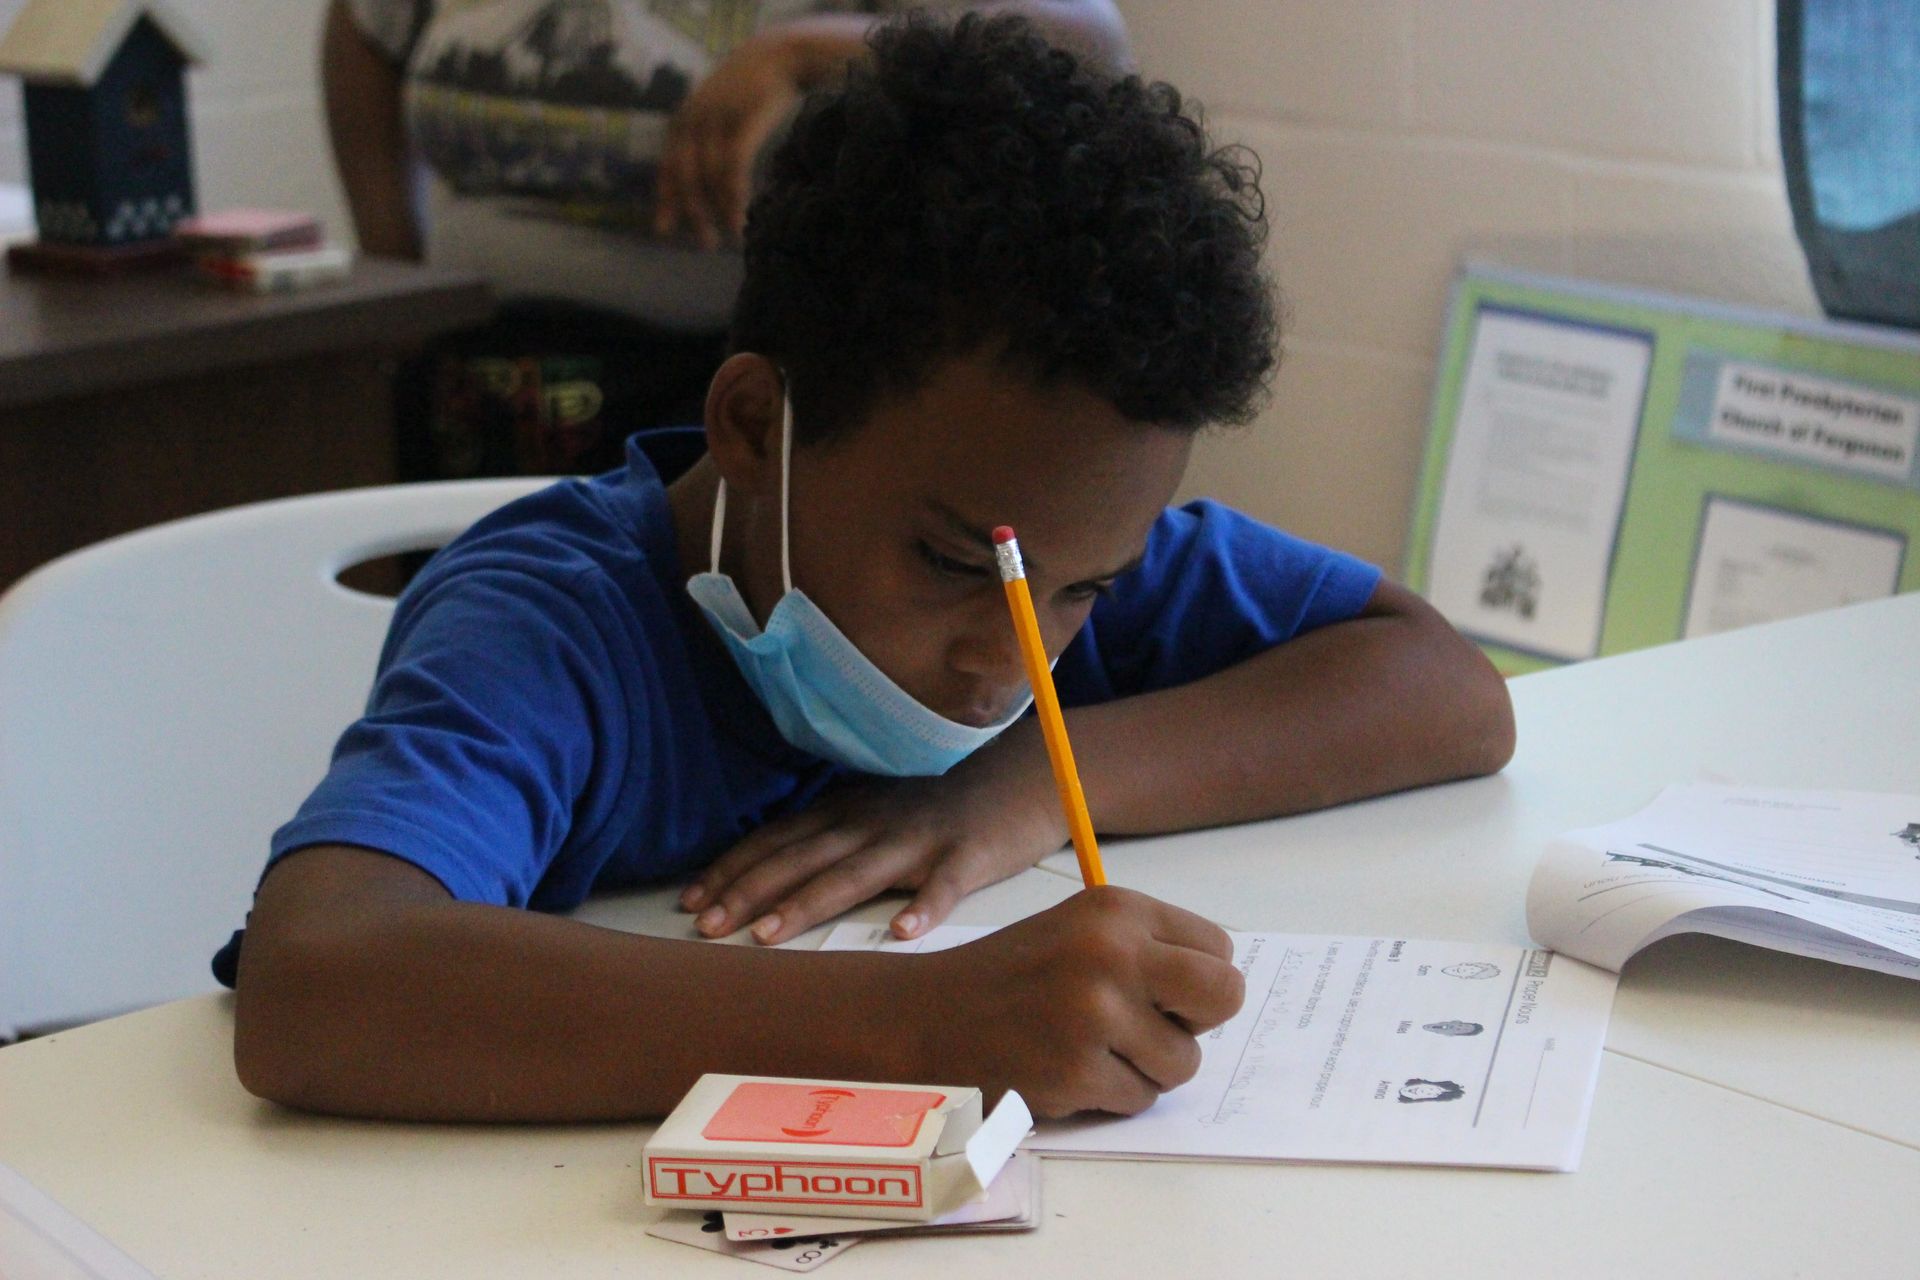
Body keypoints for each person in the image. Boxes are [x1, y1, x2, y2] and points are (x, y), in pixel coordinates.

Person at [225, 14, 1515, 1125]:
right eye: (952, 562)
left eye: (1088, 592)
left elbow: (1447, 688)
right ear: (752, 428)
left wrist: (1022, 786)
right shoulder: (552, 626)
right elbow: (320, 979)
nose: (1014, 658)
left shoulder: (1045, 531)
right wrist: (925, 1023)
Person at [322, 0, 1129, 477]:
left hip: (729, 376)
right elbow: (365, 28)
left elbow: (1082, 40)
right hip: (476, 373)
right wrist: (392, 256)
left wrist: (809, 48)